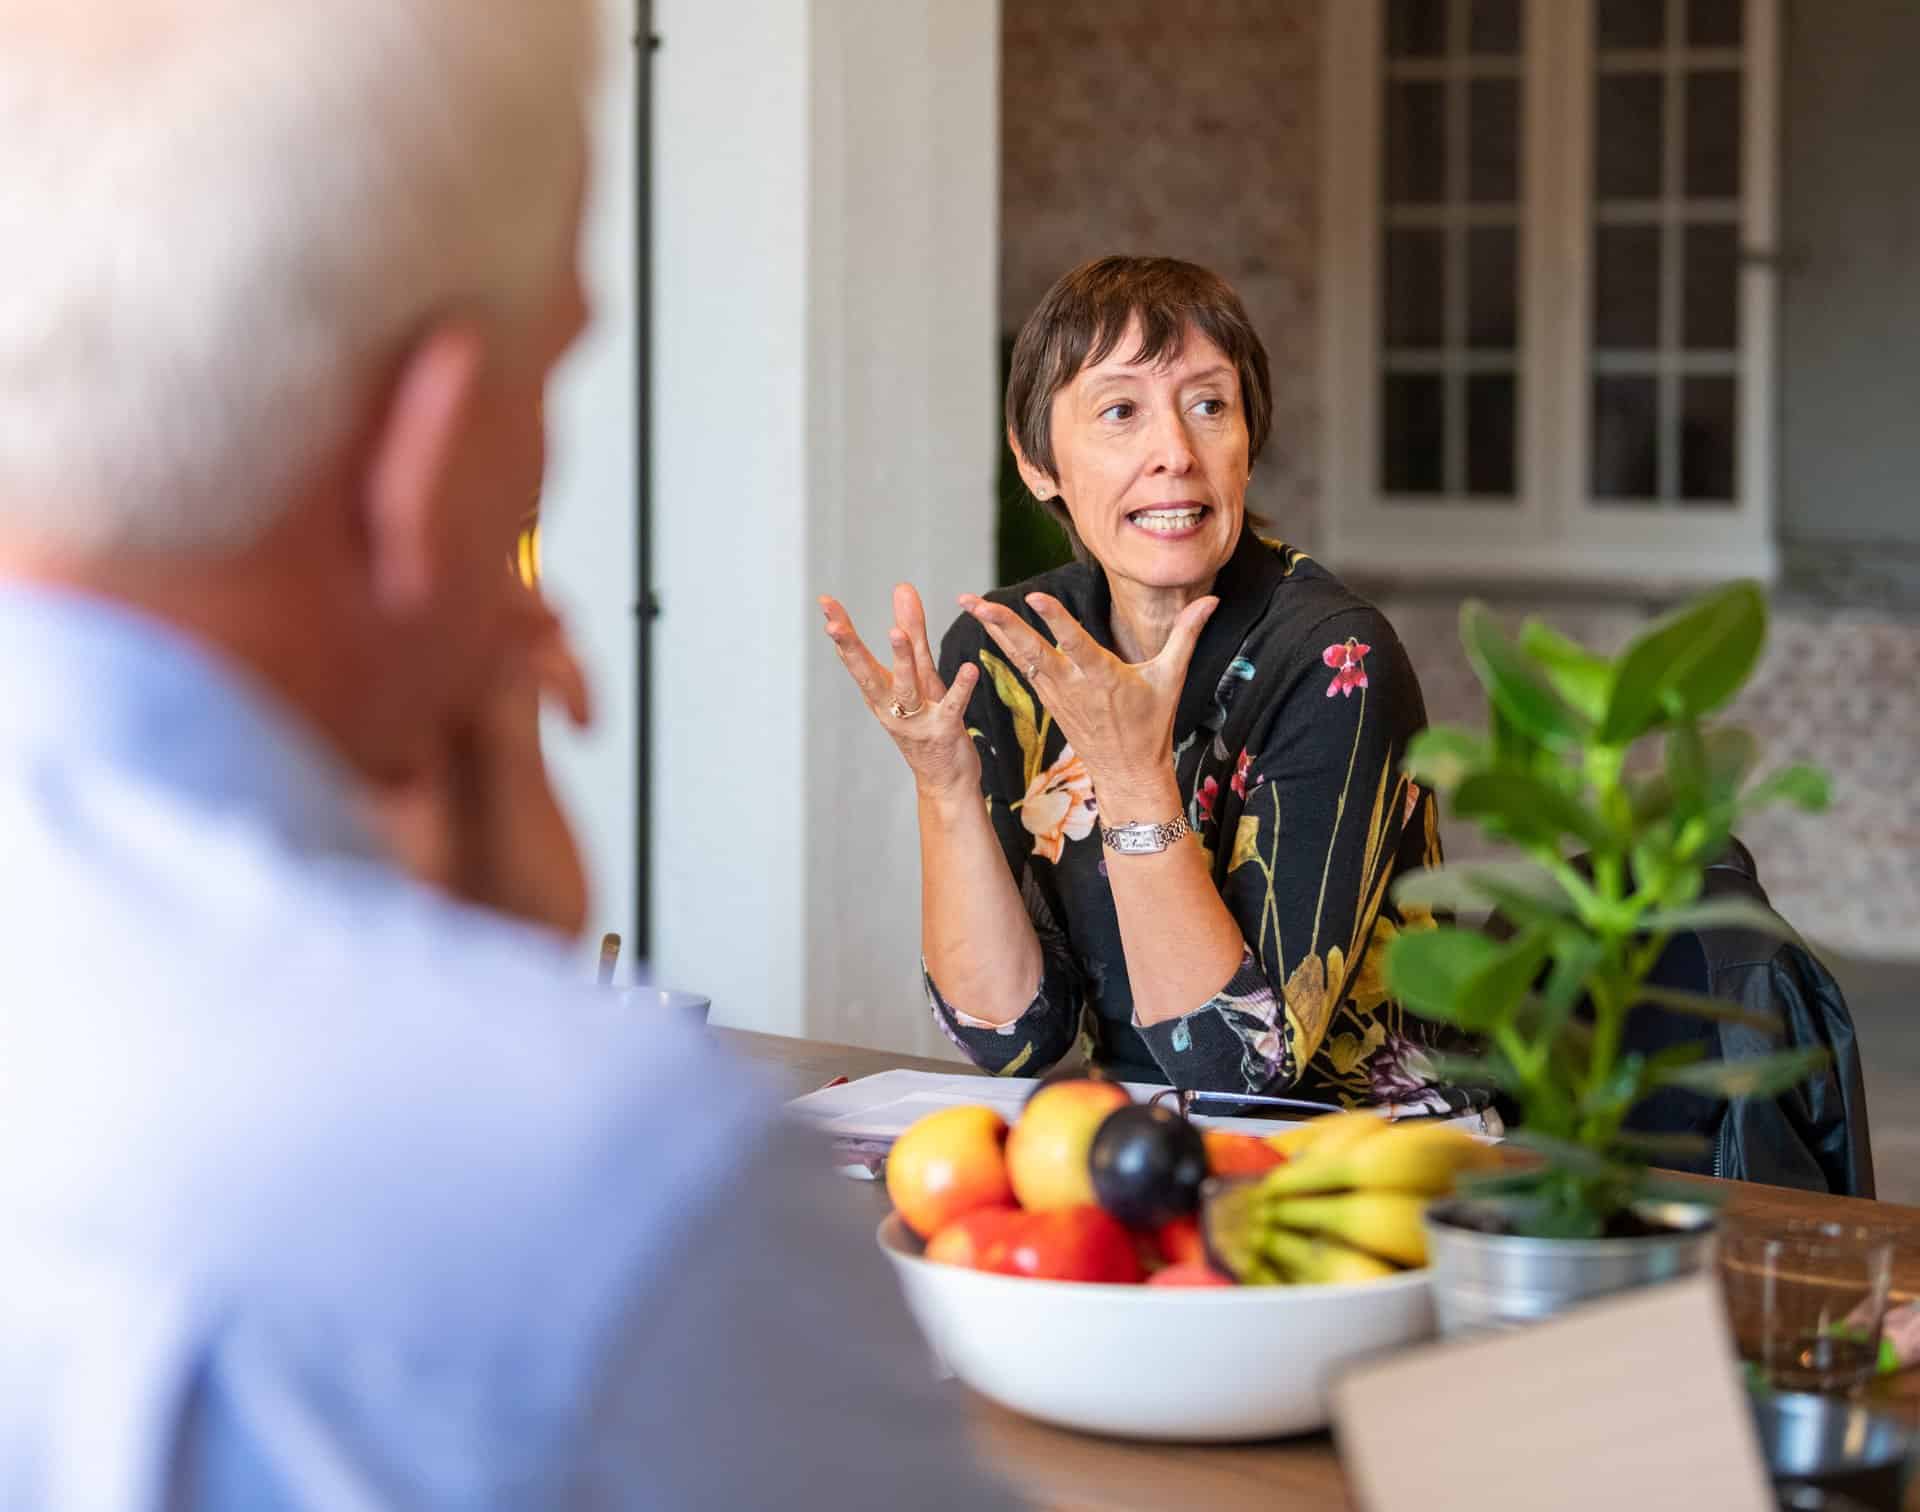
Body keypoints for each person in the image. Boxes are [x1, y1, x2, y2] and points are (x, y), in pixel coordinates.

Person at [0, 2, 1017, 1507]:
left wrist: (464, 970)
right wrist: (519, 1026)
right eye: (552, 377)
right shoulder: (628, 1192)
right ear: (435, 448)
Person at [823, 256, 1467, 1110]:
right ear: (1037, 461)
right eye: (1121, 411)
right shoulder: (1014, 651)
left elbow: (1239, 1071)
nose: (1176, 453)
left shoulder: (1334, 659)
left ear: (1248, 442)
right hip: (1143, 1145)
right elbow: (1009, 1037)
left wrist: (1132, 779)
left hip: (1363, 1157)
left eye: (1209, 405)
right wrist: (943, 790)